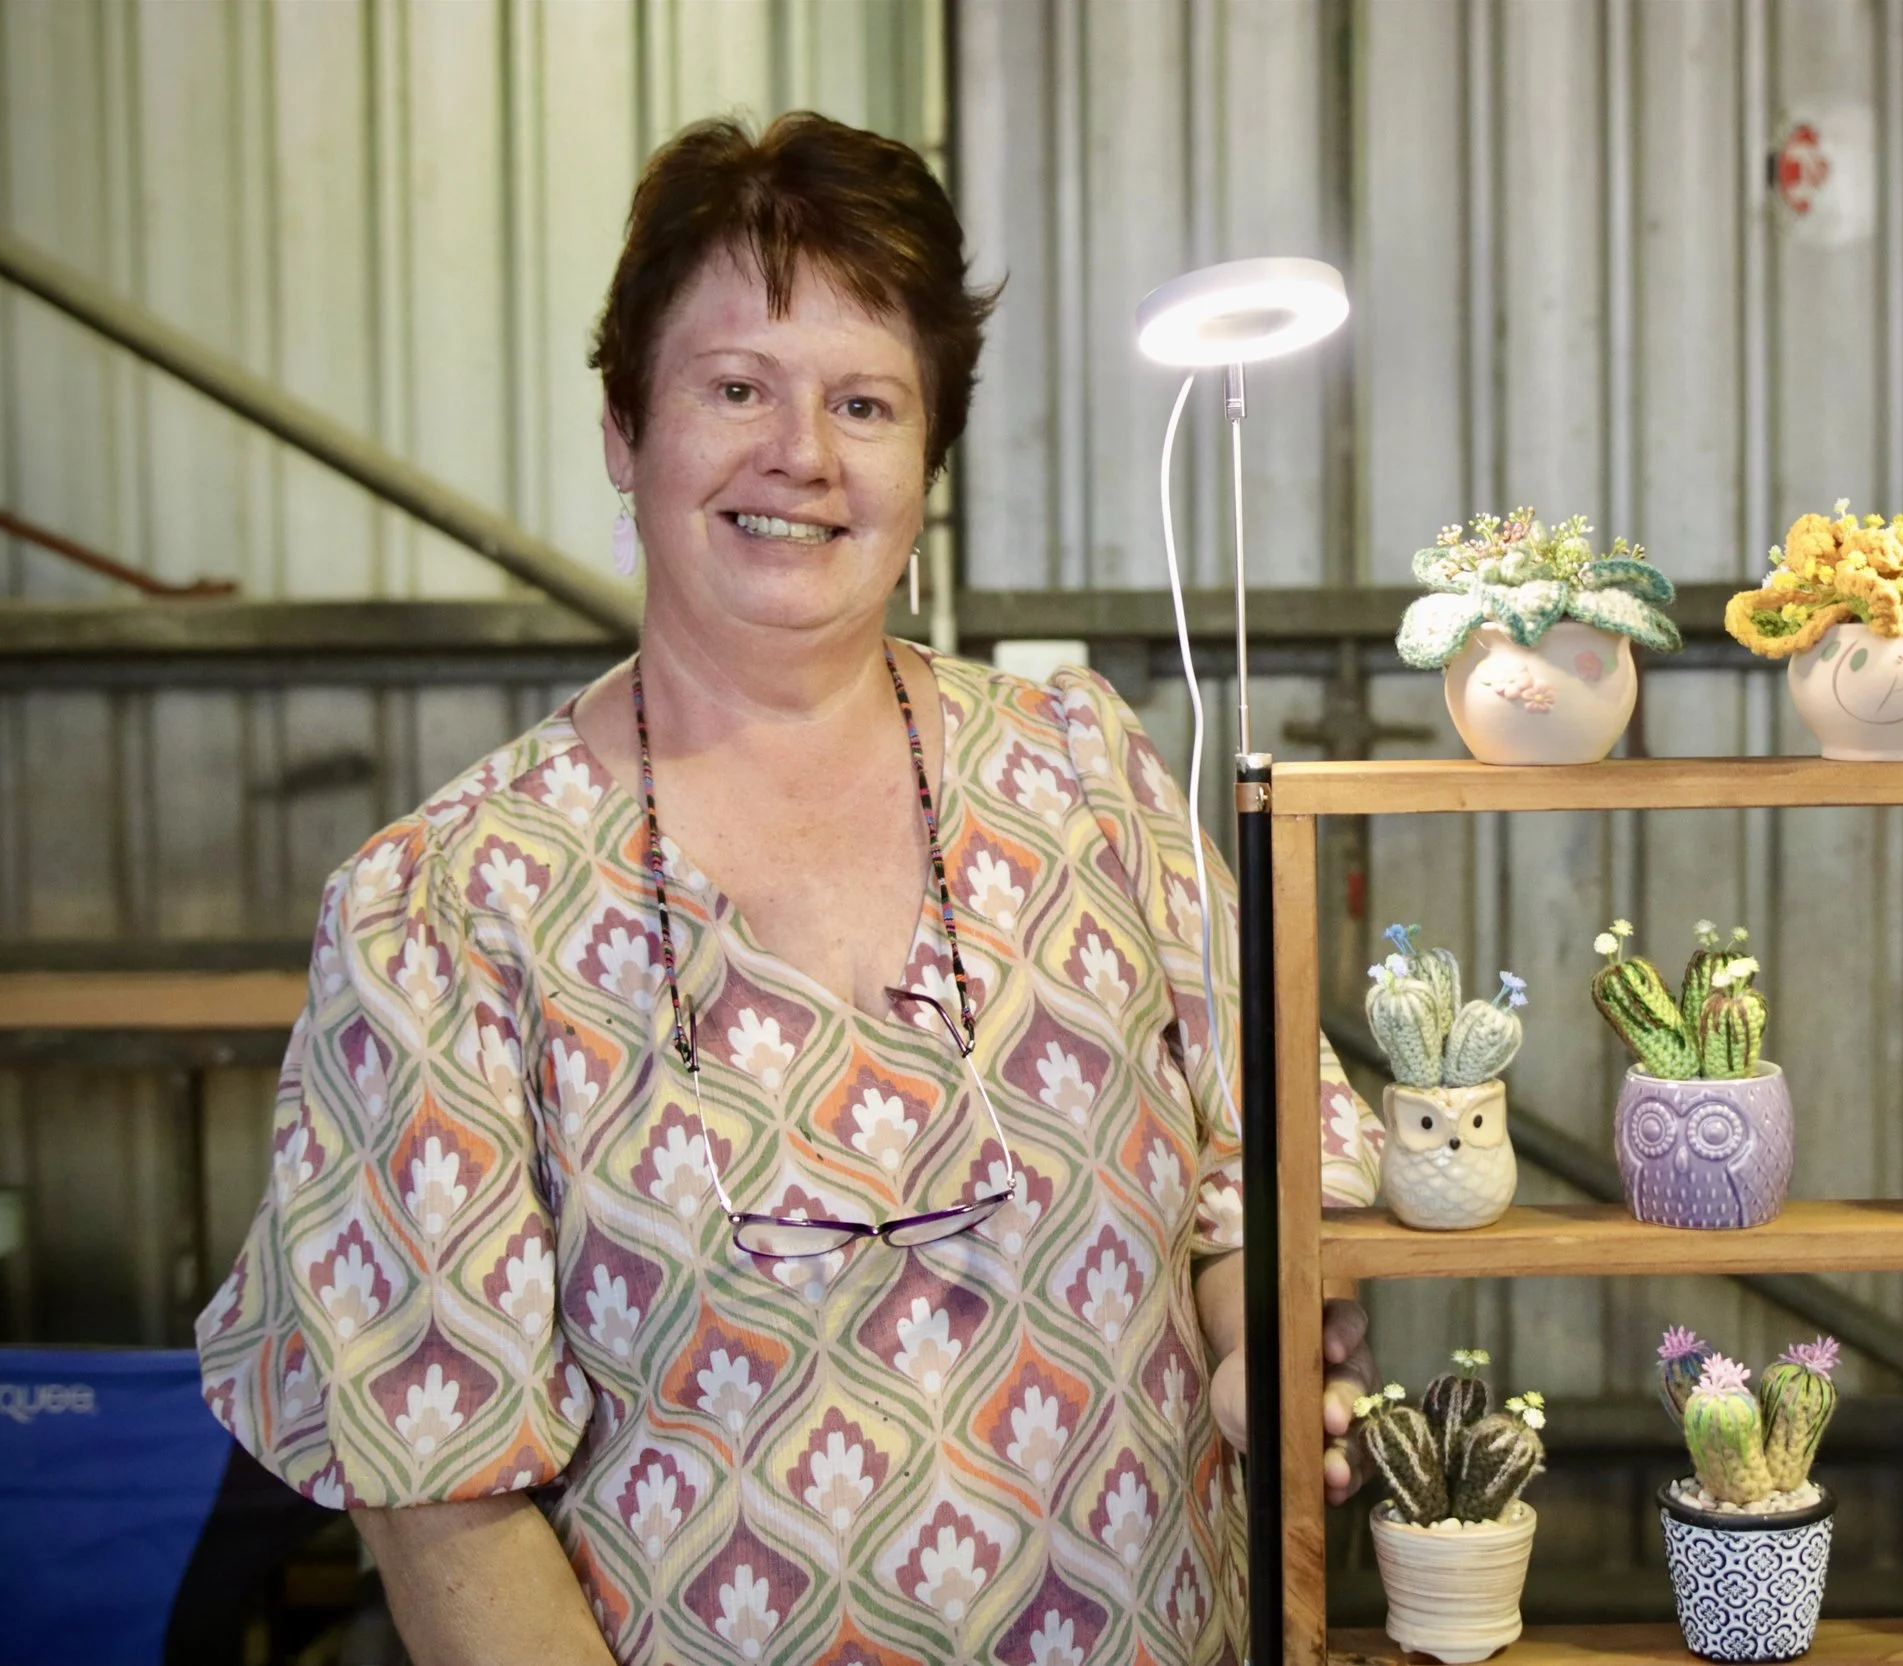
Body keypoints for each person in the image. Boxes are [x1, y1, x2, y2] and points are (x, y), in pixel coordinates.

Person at [197, 111, 1384, 1666]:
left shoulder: (1089, 776)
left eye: (866, 401)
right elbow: (443, 1502)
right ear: (625, 430)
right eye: (737, 386)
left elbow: (1262, 1182)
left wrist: (1259, 1355)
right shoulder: (447, 908)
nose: (802, 455)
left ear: (929, 458)